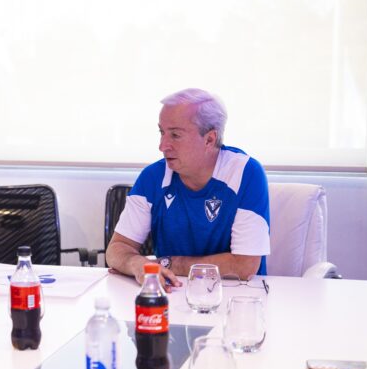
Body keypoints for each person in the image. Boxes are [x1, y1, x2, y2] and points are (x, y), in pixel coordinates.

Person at [106, 88, 270, 291]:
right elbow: (116, 249)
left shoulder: (246, 173)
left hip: (236, 296)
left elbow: (244, 265)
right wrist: (138, 265)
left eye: (175, 135)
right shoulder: (153, 176)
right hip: (172, 292)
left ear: (209, 139)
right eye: (162, 132)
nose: (162, 145)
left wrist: (169, 263)